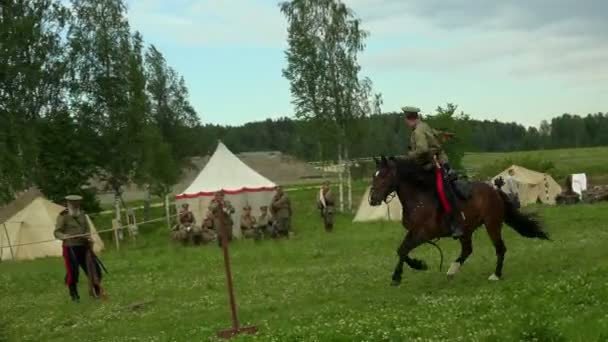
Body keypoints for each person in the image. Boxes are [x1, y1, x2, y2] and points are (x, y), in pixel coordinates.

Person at [403, 106, 463, 238]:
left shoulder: (418, 131)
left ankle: (456, 223)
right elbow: (433, 132)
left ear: (409, 119)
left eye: (406, 119)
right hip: (432, 163)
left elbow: (423, 150)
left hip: (438, 164)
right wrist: (443, 133)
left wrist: (409, 155)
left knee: (442, 191)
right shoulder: (423, 125)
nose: (405, 122)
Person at [54, 195, 103, 302]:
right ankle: (74, 295)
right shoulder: (63, 216)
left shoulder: (82, 214)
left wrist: (88, 236)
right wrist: (64, 236)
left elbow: (87, 229)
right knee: (73, 272)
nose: (75, 205)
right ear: (68, 203)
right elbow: (57, 232)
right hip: (70, 247)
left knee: (95, 269)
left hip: (84, 246)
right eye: (72, 203)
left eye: (77, 203)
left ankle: (97, 292)